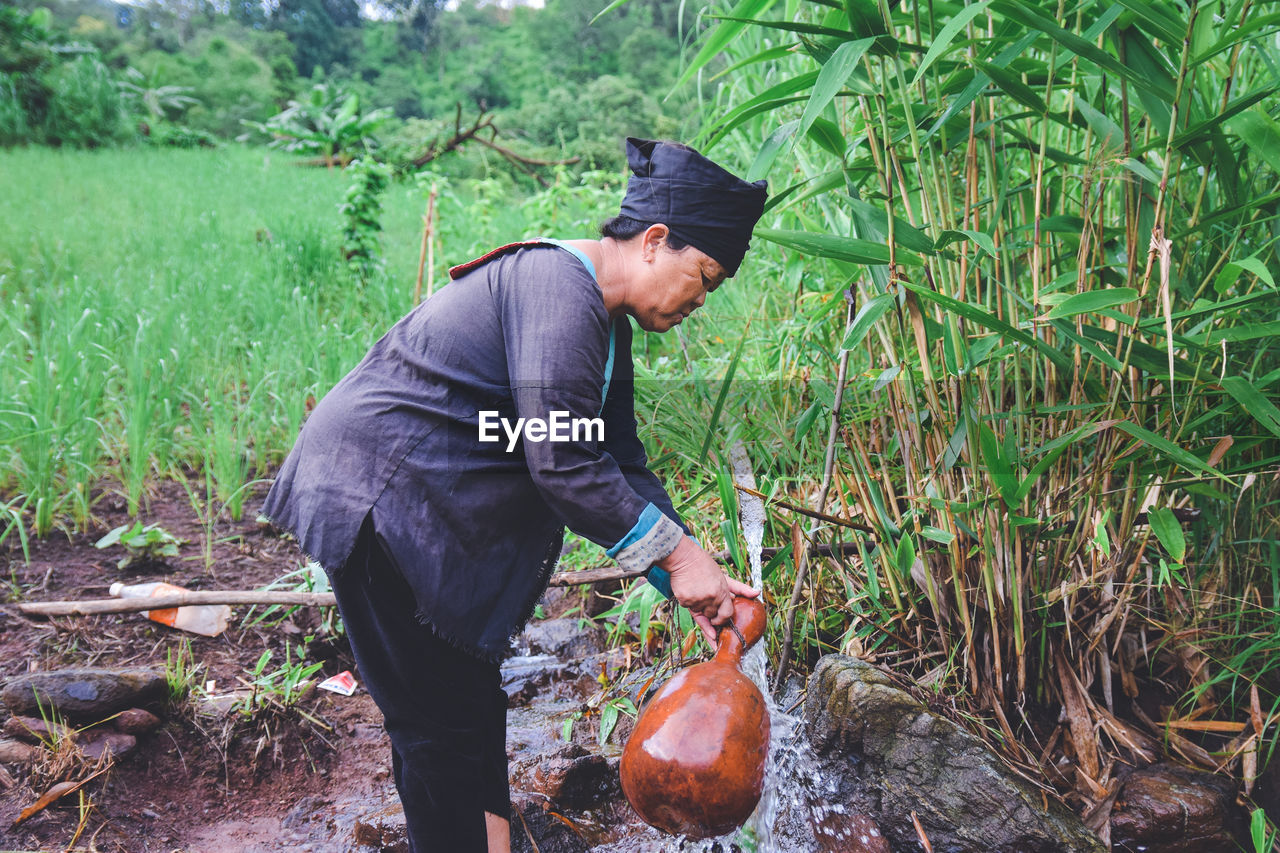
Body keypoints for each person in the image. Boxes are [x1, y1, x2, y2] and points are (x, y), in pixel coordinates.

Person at [261, 137, 769, 852]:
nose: (701, 300)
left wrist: (690, 575)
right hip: (381, 499)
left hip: (420, 511)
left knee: (460, 715)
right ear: (655, 241)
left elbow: (618, 460)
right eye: (705, 276)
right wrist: (680, 557)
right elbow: (561, 460)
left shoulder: (604, 326)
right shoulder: (558, 287)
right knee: (441, 726)